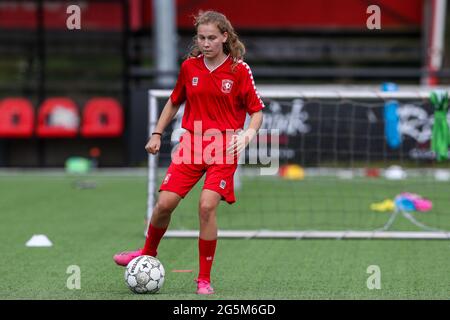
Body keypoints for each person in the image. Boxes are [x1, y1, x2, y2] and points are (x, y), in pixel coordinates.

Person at [113, 10, 264, 295]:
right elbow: (173, 102)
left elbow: (256, 112)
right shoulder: (189, 68)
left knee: (207, 206)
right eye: (201, 37)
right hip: (192, 145)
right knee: (163, 205)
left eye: (211, 38)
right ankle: (146, 253)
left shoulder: (239, 70)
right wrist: (157, 133)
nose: (206, 43)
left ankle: (203, 278)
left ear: (224, 37)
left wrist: (247, 134)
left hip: (224, 146)